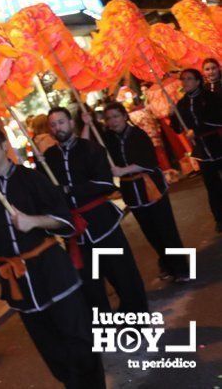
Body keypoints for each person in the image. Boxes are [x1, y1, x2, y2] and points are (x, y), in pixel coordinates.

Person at [0, 128, 105, 388]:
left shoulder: (31, 178)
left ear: (5, 147)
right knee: (51, 349)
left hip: (53, 273)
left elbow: (64, 220)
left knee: (78, 340)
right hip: (20, 284)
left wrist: (33, 222)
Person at [45, 107, 148, 313]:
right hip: (75, 233)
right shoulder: (48, 158)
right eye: (54, 124)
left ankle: (136, 321)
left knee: (123, 276)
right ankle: (102, 329)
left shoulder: (91, 149)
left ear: (71, 123)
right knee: (91, 286)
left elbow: (104, 183)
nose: (58, 127)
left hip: (103, 225)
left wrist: (68, 190)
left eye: (62, 122)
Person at [85, 103, 189, 281]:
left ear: (125, 116)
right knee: (150, 232)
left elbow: (148, 161)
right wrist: (87, 124)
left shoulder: (138, 134)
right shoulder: (107, 138)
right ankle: (166, 263)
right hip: (131, 192)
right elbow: (86, 147)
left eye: (116, 116)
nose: (113, 121)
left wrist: (122, 170)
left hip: (151, 187)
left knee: (166, 230)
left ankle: (182, 268)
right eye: (109, 118)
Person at [172, 68, 222, 232]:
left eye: (189, 78)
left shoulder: (210, 97)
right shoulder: (181, 103)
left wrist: (197, 130)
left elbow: (217, 119)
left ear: (198, 81)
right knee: (212, 186)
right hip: (202, 152)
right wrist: (173, 114)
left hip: (218, 144)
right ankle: (219, 218)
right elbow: (178, 129)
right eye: (183, 79)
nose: (185, 82)